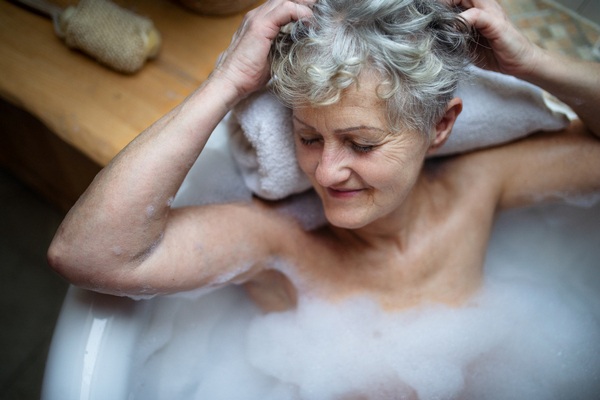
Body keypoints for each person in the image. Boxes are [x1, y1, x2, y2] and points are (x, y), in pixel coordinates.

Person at [47, 0, 600, 312]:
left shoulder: (481, 187)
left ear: (441, 126)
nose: (326, 171)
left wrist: (531, 63)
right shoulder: (282, 245)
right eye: (309, 138)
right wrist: (226, 84)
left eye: (361, 143)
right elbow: (89, 255)